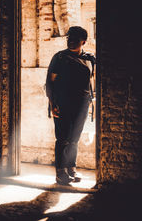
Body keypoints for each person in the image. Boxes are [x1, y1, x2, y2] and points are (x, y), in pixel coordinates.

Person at [46, 26, 96, 185]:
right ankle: (60, 172)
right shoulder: (60, 58)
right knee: (63, 138)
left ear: (84, 42)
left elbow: (91, 81)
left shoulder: (90, 59)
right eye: (69, 38)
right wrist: (53, 104)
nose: (70, 41)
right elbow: (50, 83)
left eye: (74, 39)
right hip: (62, 102)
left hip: (82, 104)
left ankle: (71, 168)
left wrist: (91, 101)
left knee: (75, 138)